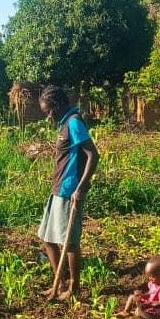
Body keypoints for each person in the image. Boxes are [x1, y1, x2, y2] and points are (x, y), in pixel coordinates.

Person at [38, 85, 99, 301]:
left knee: (70, 241)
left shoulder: (74, 123)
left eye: (48, 112)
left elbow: (93, 154)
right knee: (47, 238)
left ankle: (73, 288)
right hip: (58, 189)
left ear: (57, 106)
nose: (47, 117)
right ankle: (59, 283)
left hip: (69, 190)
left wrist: (81, 187)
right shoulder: (64, 124)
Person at [116, 255, 160, 319]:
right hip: (149, 304)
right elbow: (150, 294)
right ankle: (126, 312)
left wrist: (147, 305)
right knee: (132, 297)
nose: (150, 279)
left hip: (159, 310)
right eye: (149, 276)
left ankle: (141, 315)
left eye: (153, 276)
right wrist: (142, 296)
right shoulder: (153, 283)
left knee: (142, 310)